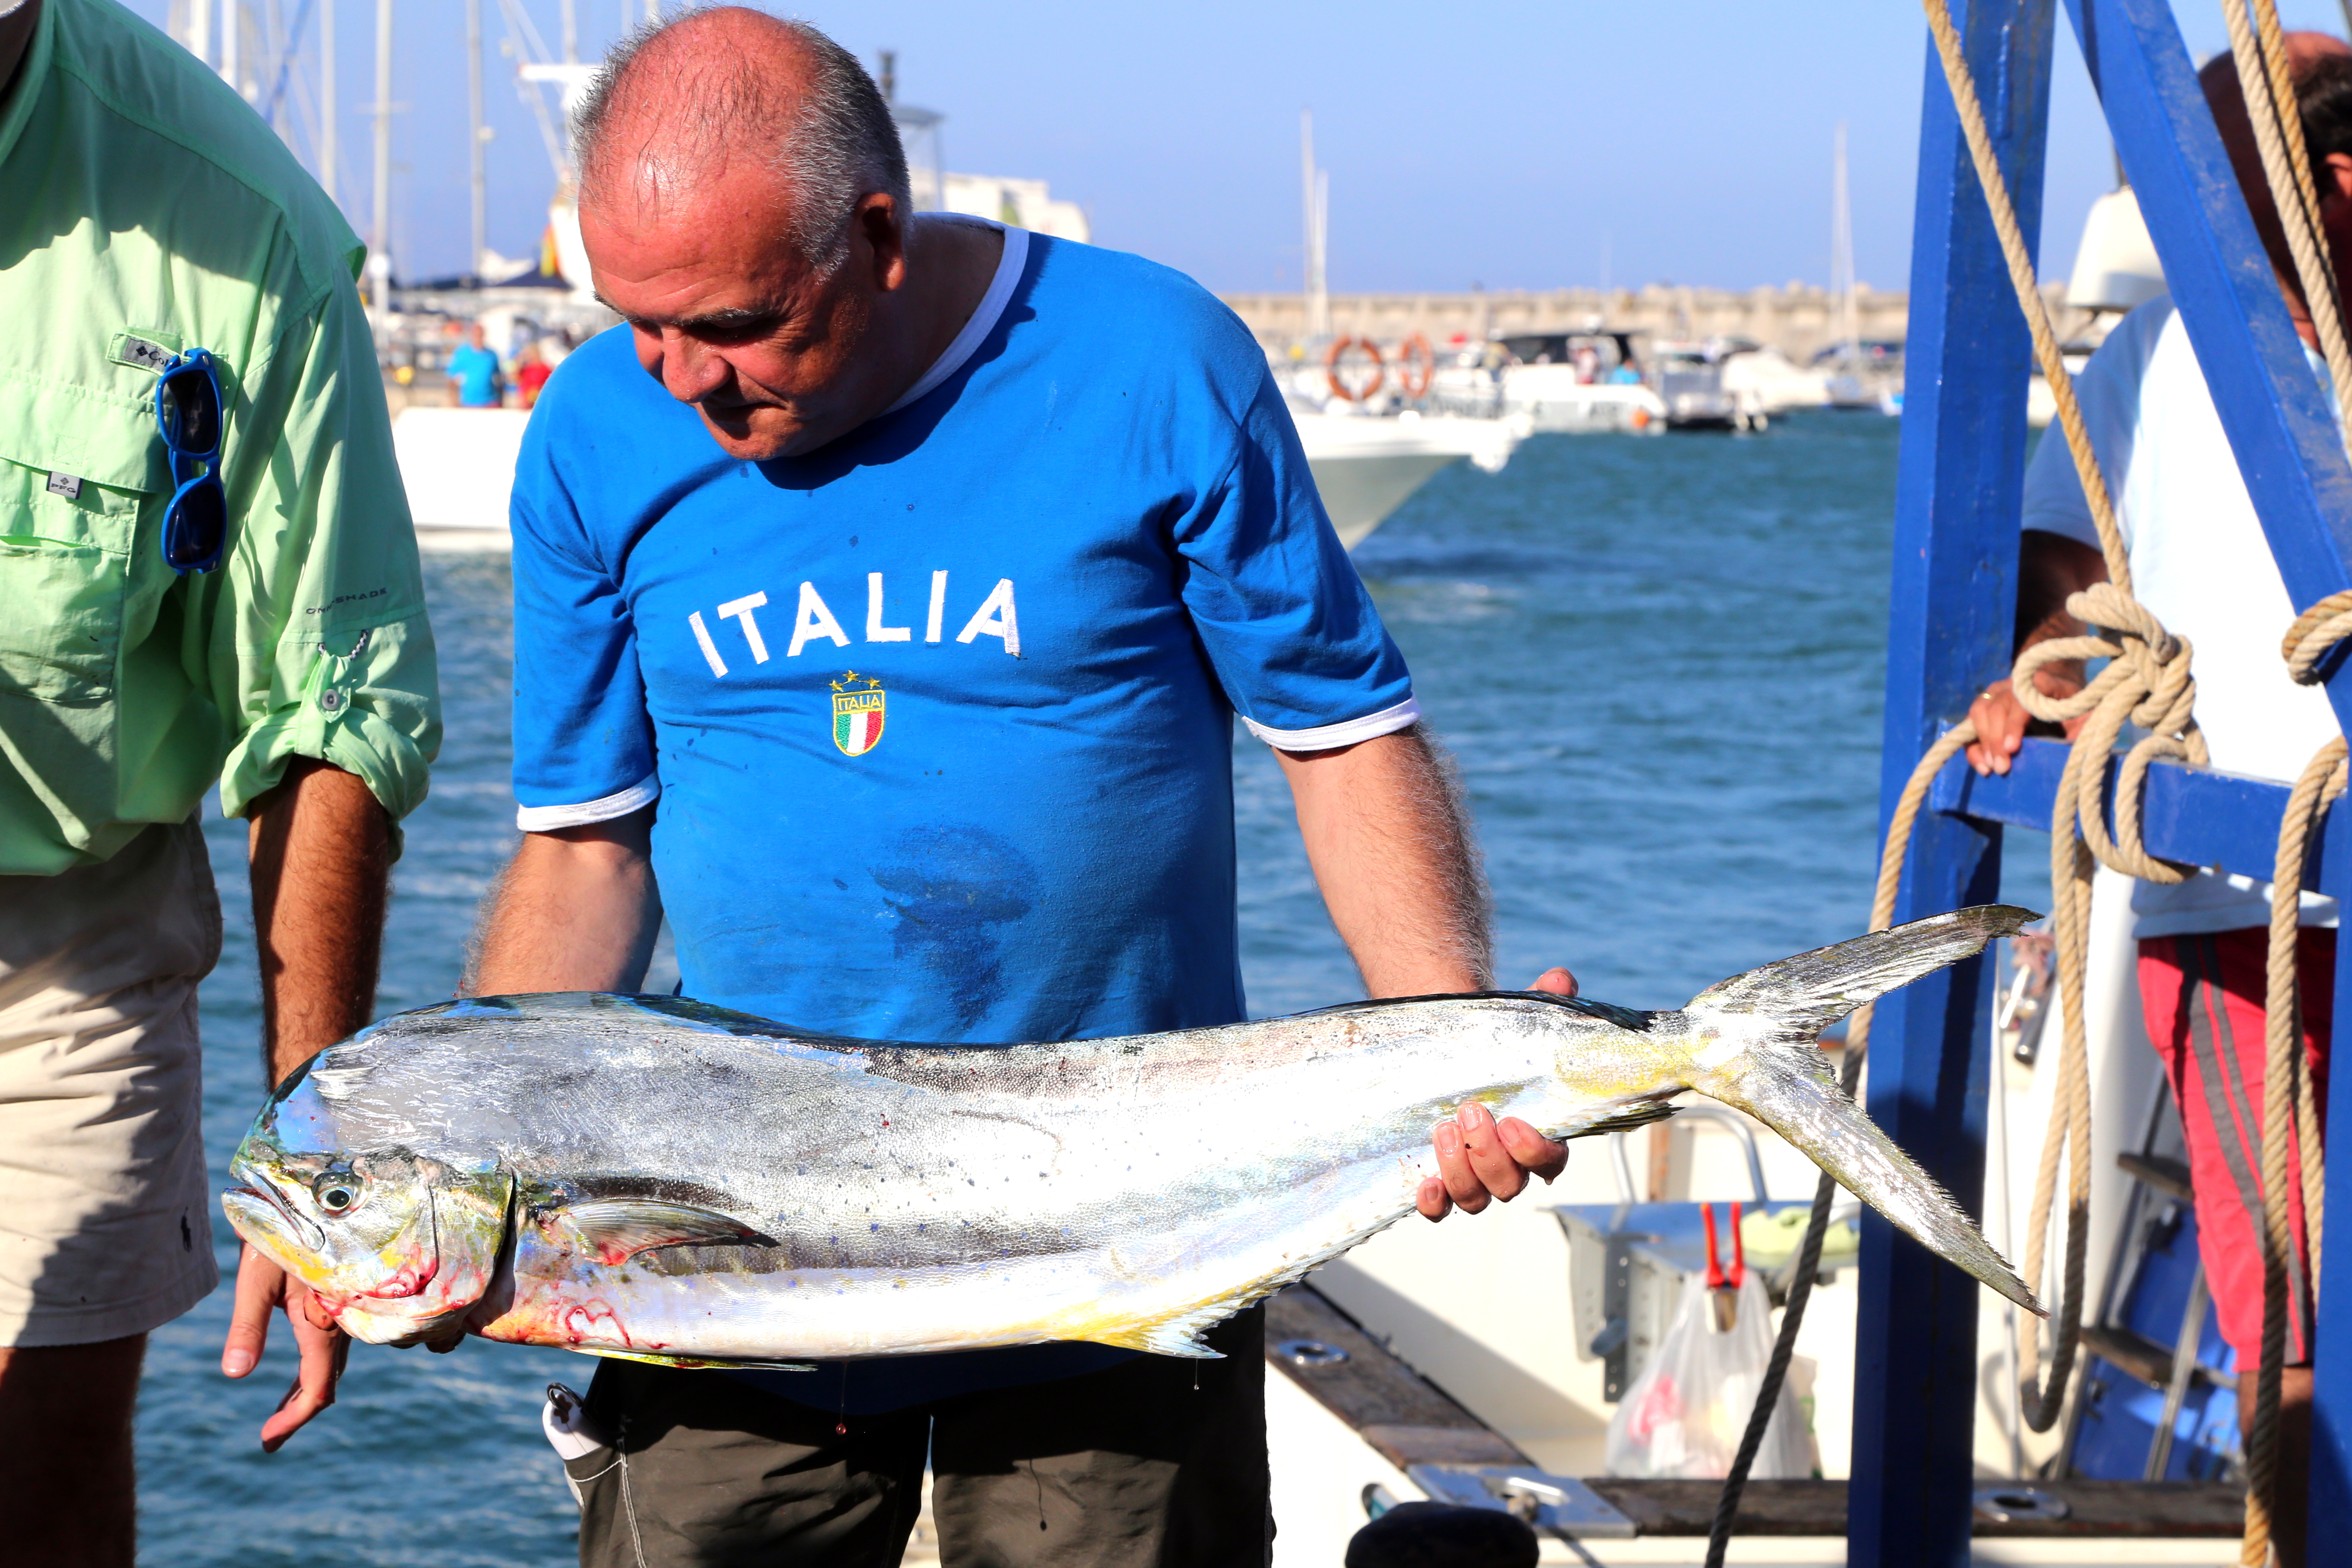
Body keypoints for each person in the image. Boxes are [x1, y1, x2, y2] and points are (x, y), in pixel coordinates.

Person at [466, 12, 1571, 1565]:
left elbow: (1338, 735)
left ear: (874, 234)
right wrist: (474, 1157)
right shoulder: (595, 428)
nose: (677, 376)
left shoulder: (1151, 361)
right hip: (720, 1241)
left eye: (729, 323)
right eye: (636, 321)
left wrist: (1447, 1031)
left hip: (1126, 1229)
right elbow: (584, 847)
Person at [0, 0, 441, 1559]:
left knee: (29, 1451)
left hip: (60, 932)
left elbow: (330, 712)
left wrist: (311, 1162)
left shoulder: (235, 220)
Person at [1965, 36, 2352, 1566]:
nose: (2177, 202)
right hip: (2228, 900)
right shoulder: (2155, 357)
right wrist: (2034, 682)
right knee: (2285, 1298)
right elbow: (2067, 586)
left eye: (2210, 169)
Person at [446, 320, 504, 407]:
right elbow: (451, 379)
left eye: (480, 335)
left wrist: (501, 401)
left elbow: (499, 379)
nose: (478, 338)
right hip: (469, 403)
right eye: (476, 335)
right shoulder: (463, 354)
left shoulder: (491, 355)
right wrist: (455, 403)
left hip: (490, 402)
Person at [515, 340, 554, 408]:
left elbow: (550, 386)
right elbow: (514, 379)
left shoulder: (545, 369)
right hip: (525, 405)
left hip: (538, 404)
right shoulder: (526, 369)